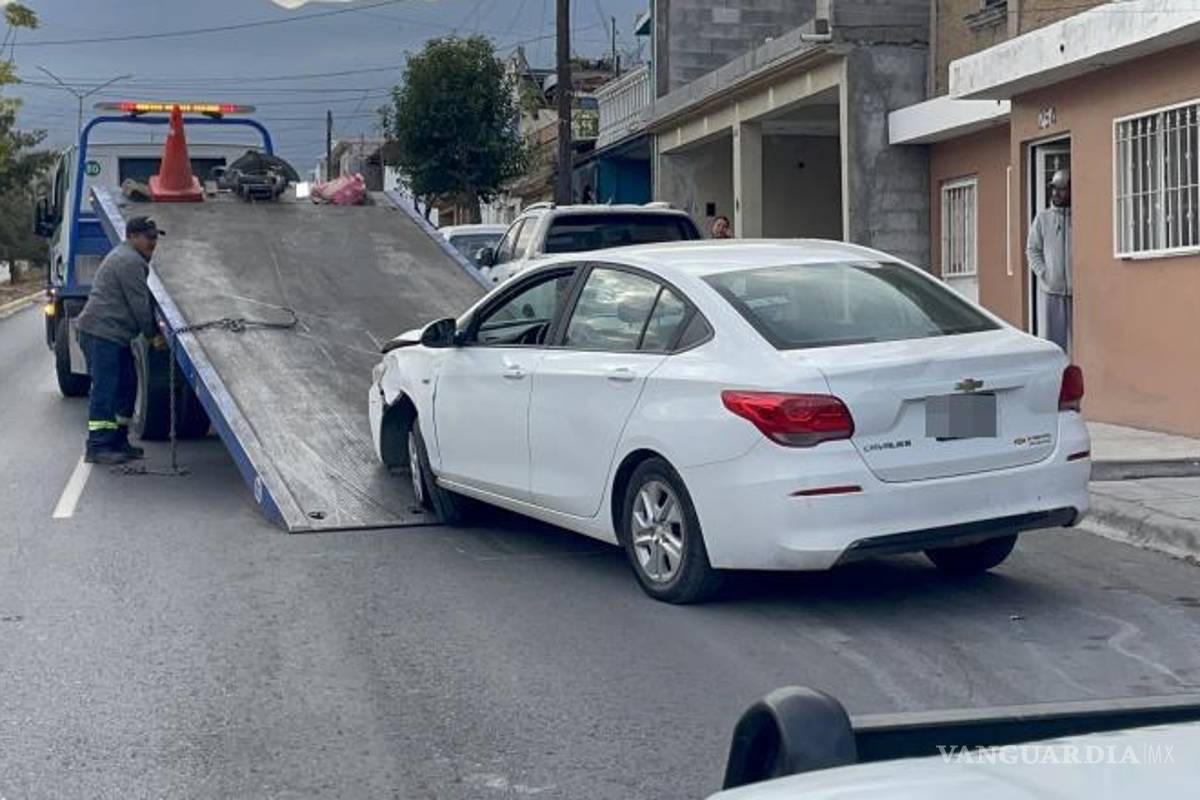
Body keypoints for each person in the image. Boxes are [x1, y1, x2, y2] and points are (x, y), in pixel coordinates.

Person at [75, 216, 165, 464]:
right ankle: (98, 445)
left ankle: (118, 440)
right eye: (149, 237)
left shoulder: (129, 257)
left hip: (114, 335)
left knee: (126, 385)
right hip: (102, 334)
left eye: (155, 237)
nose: (153, 243)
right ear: (133, 236)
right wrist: (152, 335)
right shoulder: (129, 262)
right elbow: (139, 305)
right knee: (106, 389)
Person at [1026, 170, 1072, 352]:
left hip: (1080, 293)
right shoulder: (1043, 218)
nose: (1056, 194)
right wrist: (1045, 274)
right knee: (1056, 347)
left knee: (1085, 344)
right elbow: (1032, 249)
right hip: (1053, 292)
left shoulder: (1080, 216)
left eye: (1061, 189)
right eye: (1053, 189)